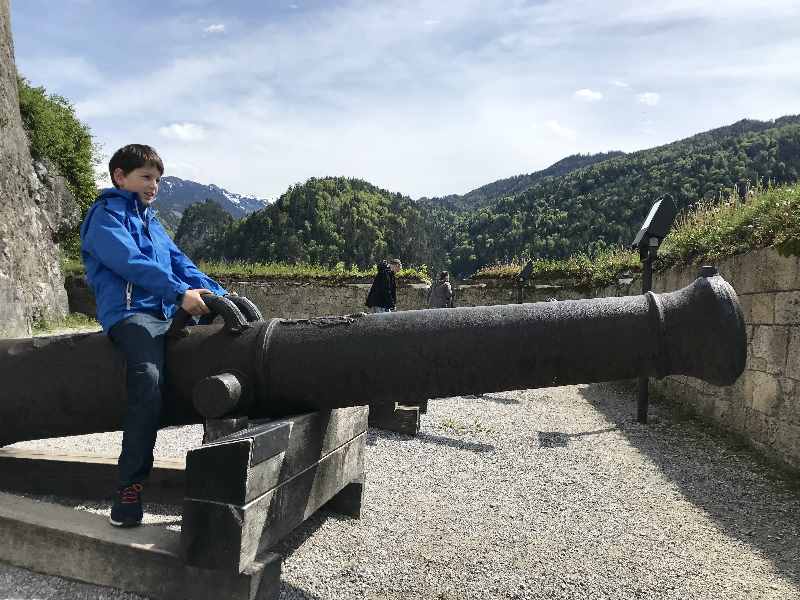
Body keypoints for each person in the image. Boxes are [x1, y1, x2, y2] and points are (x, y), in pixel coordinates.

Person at [80, 144, 228, 528]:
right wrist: (179, 294)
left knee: (223, 353)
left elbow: (181, 263)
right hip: (132, 316)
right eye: (146, 176)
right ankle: (129, 488)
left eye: (158, 179)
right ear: (119, 177)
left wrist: (219, 294)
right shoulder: (104, 216)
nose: (154, 185)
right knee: (147, 381)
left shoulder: (152, 221)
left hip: (165, 313)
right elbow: (132, 263)